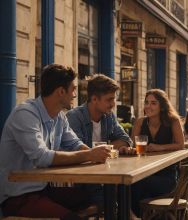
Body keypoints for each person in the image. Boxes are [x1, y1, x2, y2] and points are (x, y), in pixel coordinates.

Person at [0, 64, 110, 219]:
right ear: (61, 91)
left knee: (99, 199)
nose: (75, 94)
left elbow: (74, 144)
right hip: (18, 197)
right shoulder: (25, 114)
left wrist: (96, 154)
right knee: (72, 218)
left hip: (44, 190)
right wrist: (89, 155)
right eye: (73, 89)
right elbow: (42, 157)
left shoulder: (59, 116)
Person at [66, 74, 134, 206]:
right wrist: (102, 150)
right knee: (112, 194)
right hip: (82, 179)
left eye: (114, 99)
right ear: (94, 99)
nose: (113, 104)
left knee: (132, 186)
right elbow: (78, 151)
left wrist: (103, 149)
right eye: (109, 100)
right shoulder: (74, 117)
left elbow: (125, 139)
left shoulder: (108, 116)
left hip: (105, 173)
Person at [130, 89, 184, 217]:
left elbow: (181, 145)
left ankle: (137, 216)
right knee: (131, 184)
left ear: (162, 106)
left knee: (136, 185)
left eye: (153, 103)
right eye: (147, 102)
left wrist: (159, 147)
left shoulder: (173, 121)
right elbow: (133, 145)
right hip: (143, 171)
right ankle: (138, 215)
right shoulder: (140, 122)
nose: (148, 106)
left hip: (167, 177)